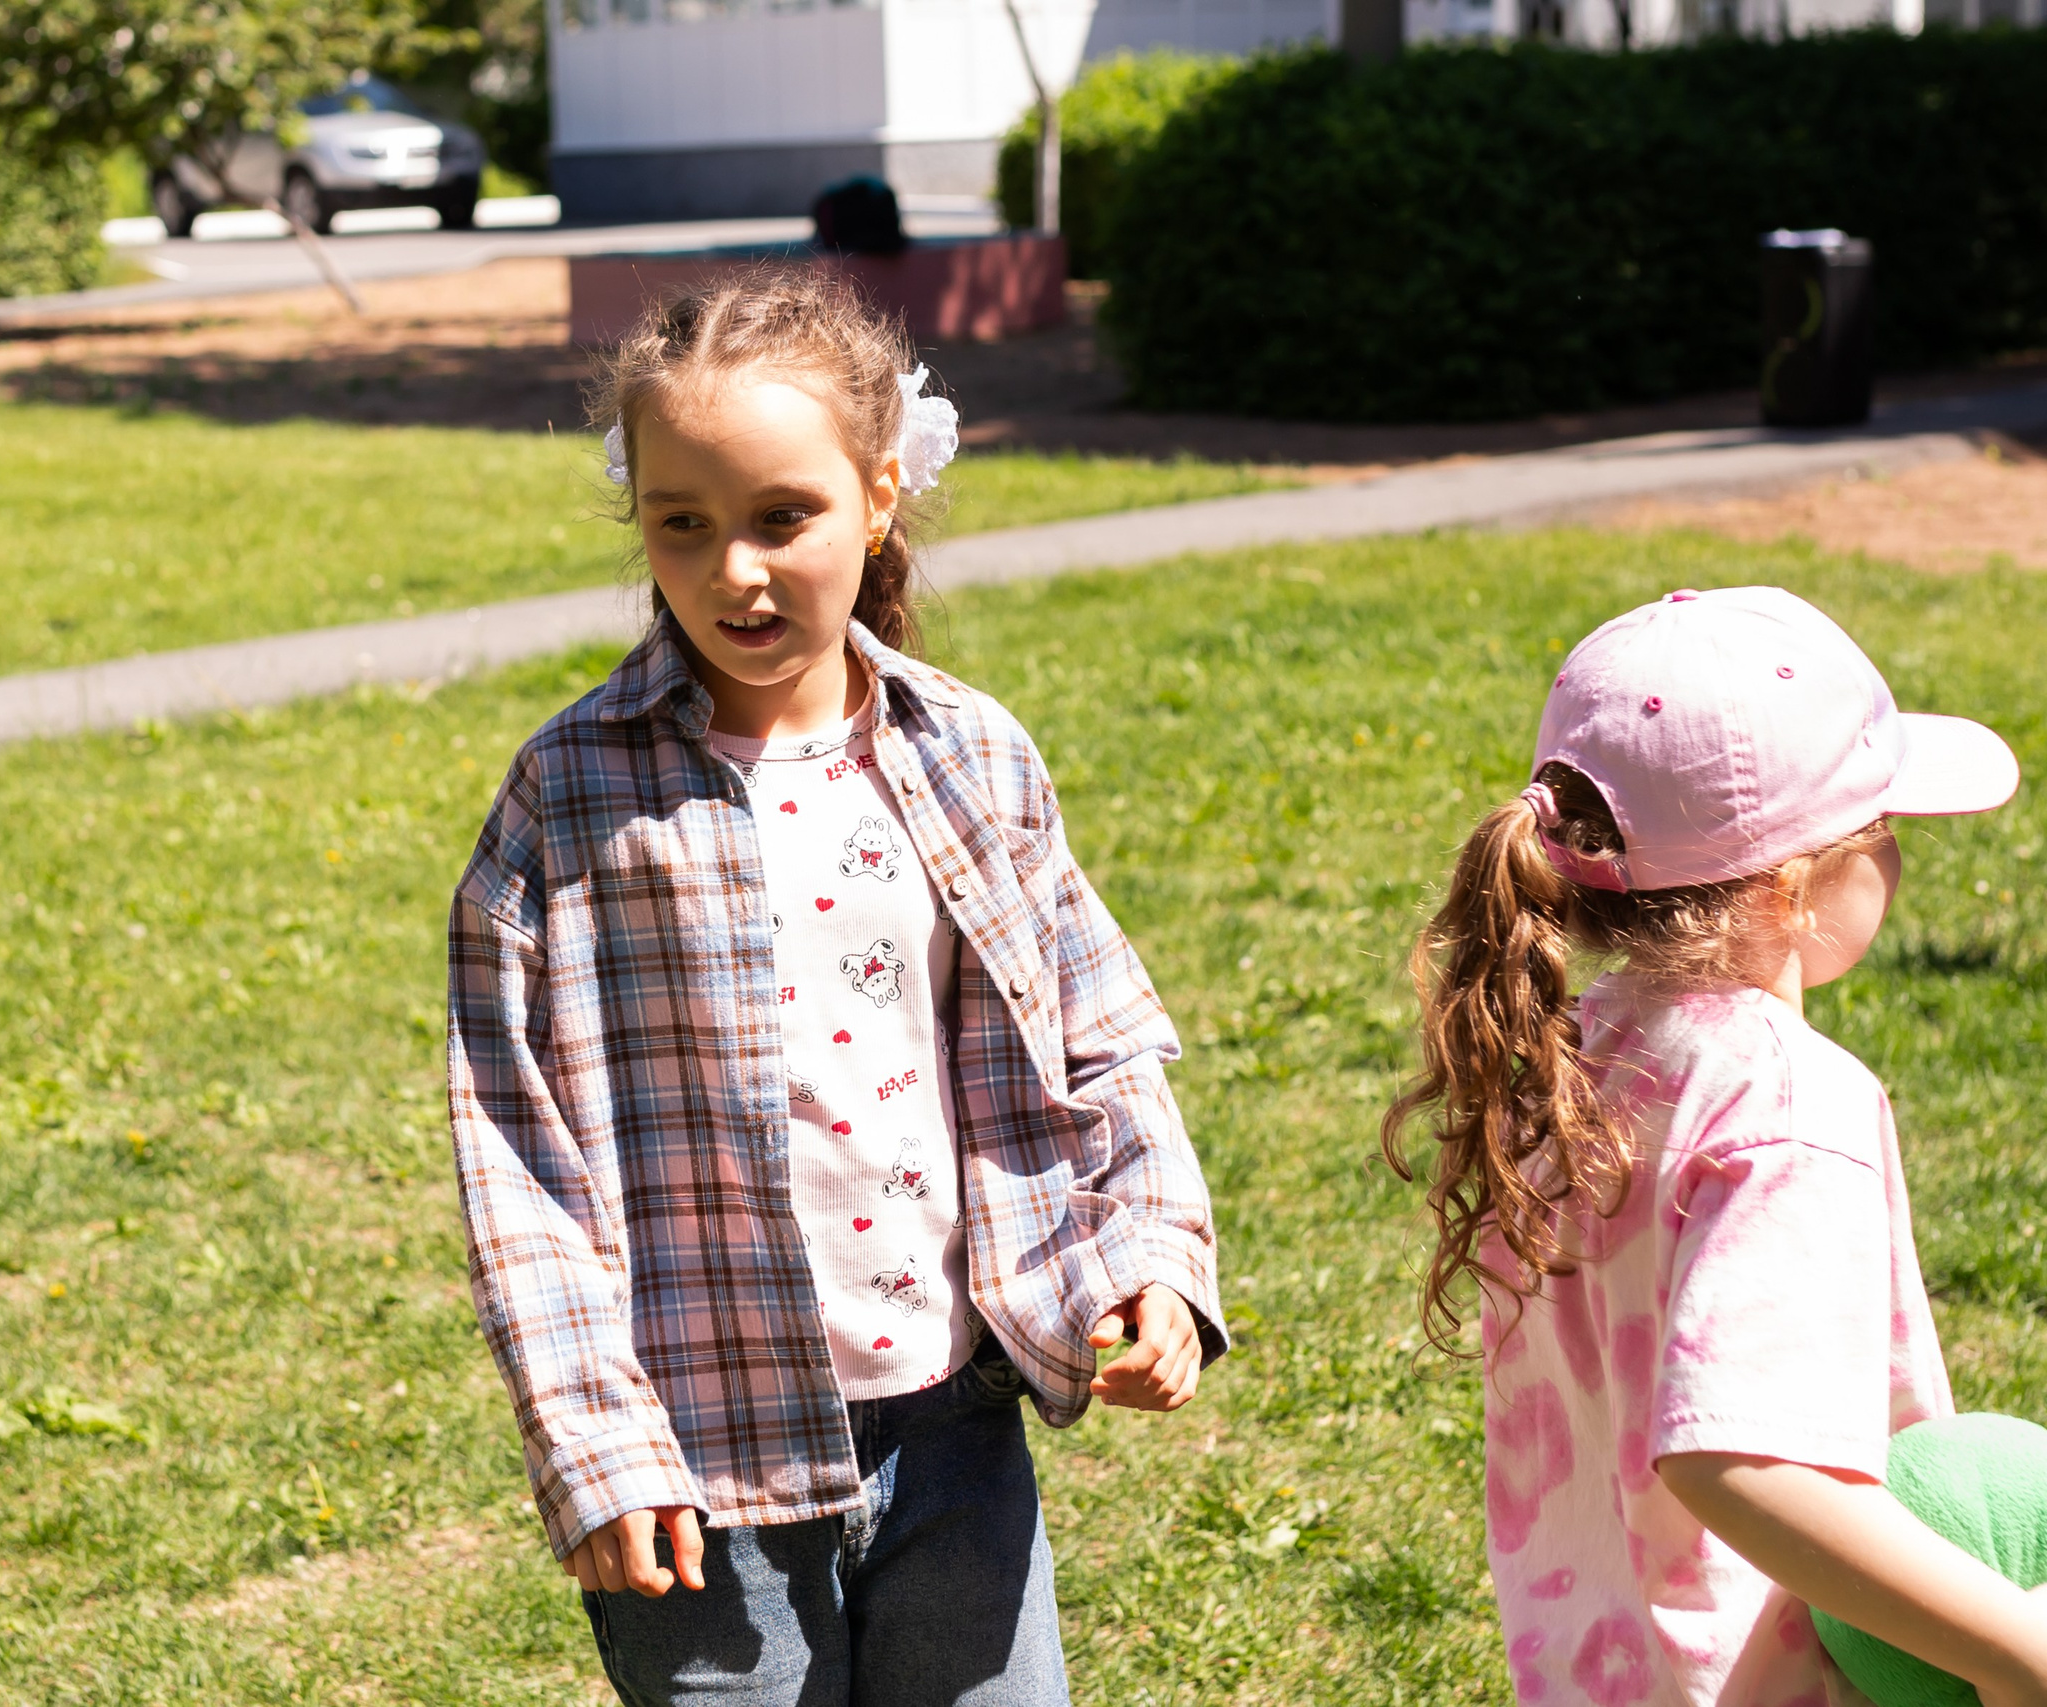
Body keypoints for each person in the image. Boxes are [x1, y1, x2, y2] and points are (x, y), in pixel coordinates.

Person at [446, 268, 1225, 1706]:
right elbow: (514, 1149)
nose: (734, 570)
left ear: (877, 497)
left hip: (955, 1428)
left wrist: (1151, 1260)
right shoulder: (569, 793)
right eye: (683, 523)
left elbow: (1099, 1036)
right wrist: (594, 1442)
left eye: (781, 516)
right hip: (698, 1473)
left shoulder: (973, 754)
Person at [1382, 585, 2035, 1707]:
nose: (1896, 857)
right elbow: (1735, 1460)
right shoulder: (1786, 1104)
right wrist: (2018, 1650)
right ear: (1795, 885)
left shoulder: (1574, 1054)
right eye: (1882, 830)